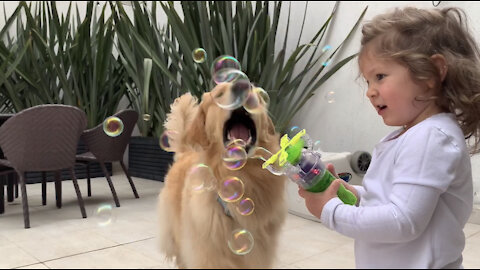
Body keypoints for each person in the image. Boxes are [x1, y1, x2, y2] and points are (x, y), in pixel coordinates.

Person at [298, 6, 480, 269]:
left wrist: (331, 211)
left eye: (380, 77)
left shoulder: (431, 137)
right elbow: (390, 199)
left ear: (430, 74)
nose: (370, 92)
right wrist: (354, 195)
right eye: (368, 81)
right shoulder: (412, 135)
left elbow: (403, 221)